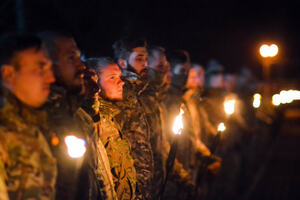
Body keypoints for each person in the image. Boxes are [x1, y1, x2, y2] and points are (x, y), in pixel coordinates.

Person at [40, 32, 116, 200]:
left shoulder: (77, 117)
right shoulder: (40, 123)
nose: (81, 66)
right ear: (46, 64)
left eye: (79, 58)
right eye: (71, 58)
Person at [0, 33, 57, 200]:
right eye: (40, 68)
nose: (51, 78)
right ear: (8, 75)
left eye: (49, 68)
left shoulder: (32, 127)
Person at [86, 57, 136, 200]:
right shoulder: (94, 121)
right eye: (112, 77)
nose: (121, 82)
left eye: (119, 77)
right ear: (96, 82)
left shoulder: (111, 117)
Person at [112, 38, 154, 200]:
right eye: (139, 59)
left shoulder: (138, 92)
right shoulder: (121, 94)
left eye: (146, 59)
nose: (146, 64)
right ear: (122, 63)